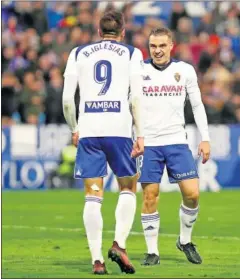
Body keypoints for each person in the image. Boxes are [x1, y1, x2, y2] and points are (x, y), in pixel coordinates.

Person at [62, 10, 144, 275]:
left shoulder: (78, 53)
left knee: (93, 195)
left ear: (98, 32)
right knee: (128, 186)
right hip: (119, 130)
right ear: (123, 32)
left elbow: (66, 99)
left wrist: (75, 128)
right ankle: (119, 244)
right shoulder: (132, 53)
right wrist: (140, 133)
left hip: (89, 130)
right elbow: (136, 99)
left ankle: (97, 261)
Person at [138, 27, 210, 266]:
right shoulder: (139, 71)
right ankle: (152, 252)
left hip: (177, 141)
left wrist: (205, 138)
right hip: (149, 143)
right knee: (150, 196)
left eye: (161, 46)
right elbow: (131, 106)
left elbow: (197, 106)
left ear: (171, 46)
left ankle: (185, 240)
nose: (157, 50)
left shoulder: (184, 70)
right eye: (153, 46)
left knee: (192, 194)